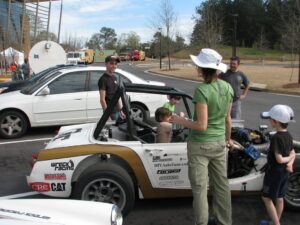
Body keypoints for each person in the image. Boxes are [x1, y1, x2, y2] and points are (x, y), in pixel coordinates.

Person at [171, 48, 234, 225]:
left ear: (203, 69)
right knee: (221, 186)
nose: (196, 68)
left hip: (200, 145)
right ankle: (225, 221)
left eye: (198, 66)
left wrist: (180, 120)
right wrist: (228, 139)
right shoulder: (228, 87)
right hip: (219, 143)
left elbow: (201, 125)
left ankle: (202, 222)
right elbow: (228, 119)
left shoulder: (202, 90)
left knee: (200, 189)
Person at [260, 104, 296, 225]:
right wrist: (290, 162)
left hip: (274, 173)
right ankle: (275, 222)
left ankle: (276, 224)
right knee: (280, 198)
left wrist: (289, 158)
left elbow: (279, 159)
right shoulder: (289, 135)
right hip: (284, 173)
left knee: (266, 198)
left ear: (275, 121)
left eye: (270, 119)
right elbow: (293, 152)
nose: (269, 121)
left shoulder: (276, 138)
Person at [98, 55, 123, 120]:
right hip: (110, 114)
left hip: (117, 112)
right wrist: (107, 116)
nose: (114, 66)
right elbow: (102, 100)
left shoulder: (114, 78)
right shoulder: (103, 79)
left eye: (115, 64)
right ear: (106, 64)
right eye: (111, 63)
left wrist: (121, 111)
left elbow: (116, 96)